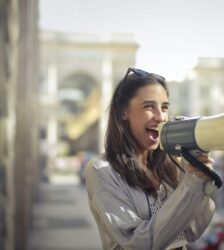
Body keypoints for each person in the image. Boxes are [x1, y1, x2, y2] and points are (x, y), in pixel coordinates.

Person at [84, 67, 216, 250]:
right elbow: (138, 243)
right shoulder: (101, 170)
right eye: (148, 106)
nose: (161, 117)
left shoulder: (171, 165)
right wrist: (190, 186)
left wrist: (201, 185)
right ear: (123, 112)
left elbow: (191, 230)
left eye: (164, 107)